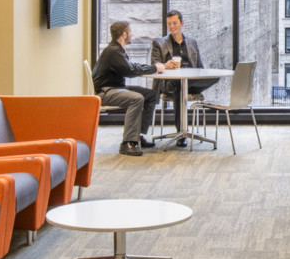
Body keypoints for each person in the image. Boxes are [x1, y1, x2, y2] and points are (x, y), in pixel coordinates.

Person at [92, 20, 165, 156]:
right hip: (106, 91)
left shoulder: (116, 50)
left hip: (114, 88)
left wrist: (153, 67)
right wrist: (155, 68)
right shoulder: (114, 51)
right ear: (124, 34)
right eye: (130, 32)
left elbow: (131, 67)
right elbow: (130, 71)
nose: (132, 35)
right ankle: (128, 143)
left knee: (150, 94)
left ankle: (137, 136)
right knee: (136, 99)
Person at [149, 10, 217, 147]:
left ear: (182, 23)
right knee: (179, 87)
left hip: (191, 82)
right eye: (169, 24)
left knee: (215, 77)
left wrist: (201, 76)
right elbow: (154, 65)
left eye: (174, 23)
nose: (172, 26)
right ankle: (181, 132)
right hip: (169, 83)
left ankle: (187, 92)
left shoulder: (192, 43)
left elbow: (199, 67)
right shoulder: (159, 43)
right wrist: (165, 65)